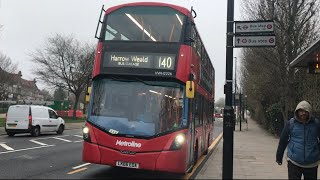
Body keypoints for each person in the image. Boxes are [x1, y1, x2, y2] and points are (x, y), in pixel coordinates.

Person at [276, 100, 320, 179]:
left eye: (306, 111)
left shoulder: (316, 124)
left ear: (309, 112)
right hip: (294, 162)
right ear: (297, 111)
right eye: (301, 111)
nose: (303, 113)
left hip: (312, 163)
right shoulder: (291, 123)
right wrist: (279, 157)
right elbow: (283, 140)